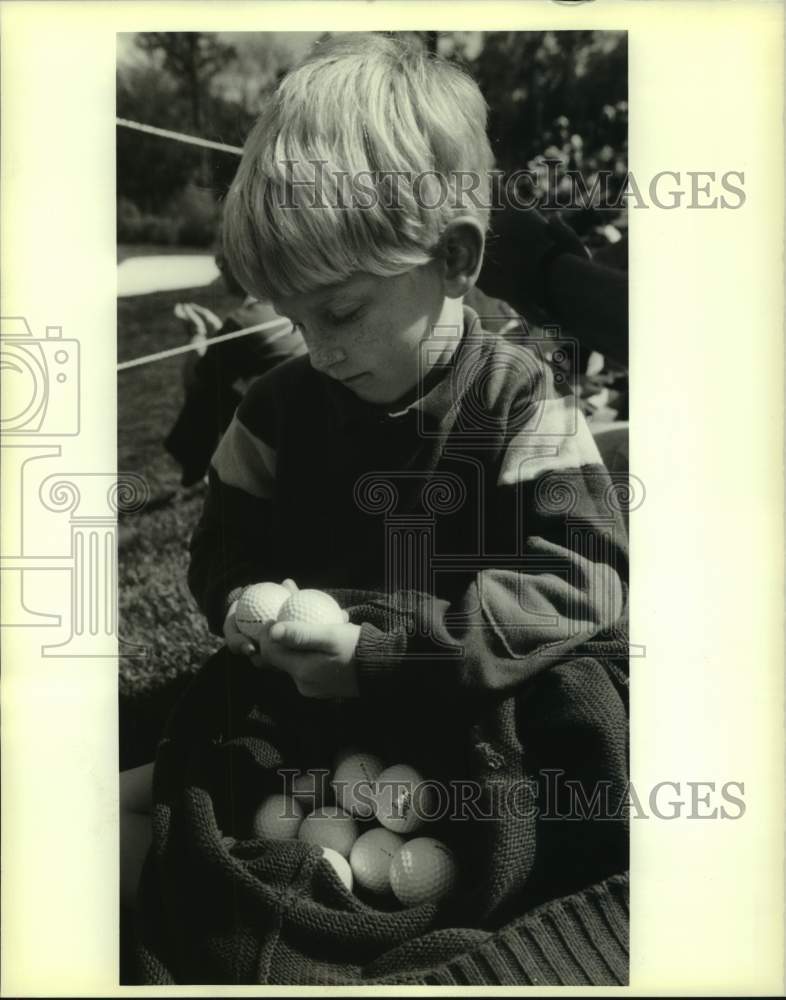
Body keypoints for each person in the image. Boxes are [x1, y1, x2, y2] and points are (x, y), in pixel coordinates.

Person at [124, 33, 630, 985]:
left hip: (478, 691)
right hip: (313, 699)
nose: (316, 347)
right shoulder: (274, 414)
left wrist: (386, 656)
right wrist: (244, 606)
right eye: (291, 314)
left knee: (579, 736)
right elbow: (224, 546)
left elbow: (582, 579)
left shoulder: (520, 401)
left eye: (342, 312)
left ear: (454, 259)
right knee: (223, 755)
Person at [164, 249, 307, 488]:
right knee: (217, 384)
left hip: (288, 434)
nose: (219, 271)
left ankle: (194, 468)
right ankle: (197, 467)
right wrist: (218, 330)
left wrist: (196, 333)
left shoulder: (242, 320)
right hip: (308, 413)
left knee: (205, 391)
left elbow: (193, 380)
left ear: (242, 268)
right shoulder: (279, 303)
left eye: (221, 263)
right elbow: (242, 350)